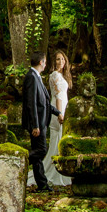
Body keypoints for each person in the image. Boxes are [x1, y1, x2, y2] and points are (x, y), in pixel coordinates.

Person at [22, 51, 60, 192]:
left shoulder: (36, 77)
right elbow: (31, 103)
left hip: (41, 121)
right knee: (41, 150)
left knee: (38, 157)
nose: (45, 65)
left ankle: (42, 185)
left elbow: (44, 103)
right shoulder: (31, 77)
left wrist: (57, 113)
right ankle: (18, 161)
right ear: (41, 62)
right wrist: (35, 125)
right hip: (37, 123)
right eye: (45, 62)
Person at [42, 50, 73, 187]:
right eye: (58, 59)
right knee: (58, 139)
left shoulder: (61, 75)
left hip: (63, 107)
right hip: (58, 109)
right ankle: (56, 171)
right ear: (54, 62)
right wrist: (60, 113)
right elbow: (59, 96)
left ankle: (59, 169)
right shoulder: (55, 75)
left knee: (59, 139)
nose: (61, 62)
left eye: (63, 59)